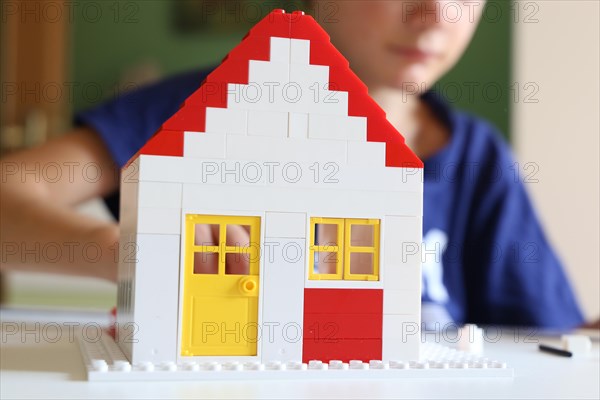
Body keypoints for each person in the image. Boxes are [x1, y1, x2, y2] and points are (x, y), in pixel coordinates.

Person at [1, 1, 594, 329]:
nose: (437, 11)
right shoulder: (204, 107)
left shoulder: (478, 160)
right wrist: (130, 254)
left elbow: (551, 337)